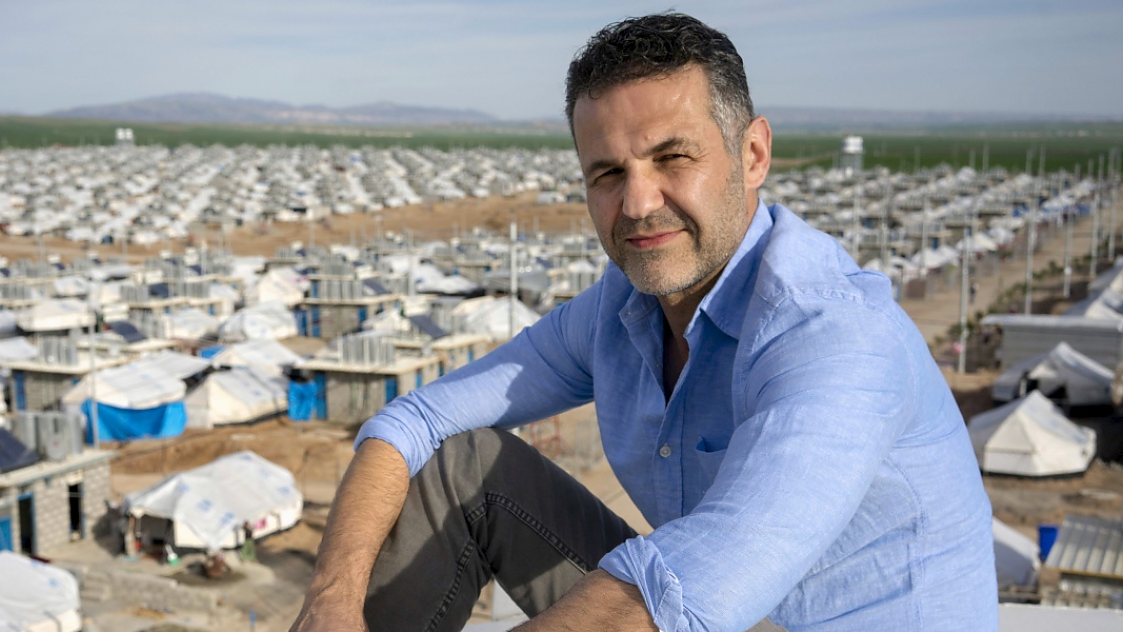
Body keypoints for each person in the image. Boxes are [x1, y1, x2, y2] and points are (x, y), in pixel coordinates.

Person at [291, 13, 995, 632]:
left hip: (743, 610)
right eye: (607, 174)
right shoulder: (623, 308)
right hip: (715, 611)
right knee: (462, 466)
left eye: (671, 158)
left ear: (752, 155)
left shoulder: (832, 334)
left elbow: (688, 587)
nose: (637, 203)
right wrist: (329, 603)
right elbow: (411, 423)